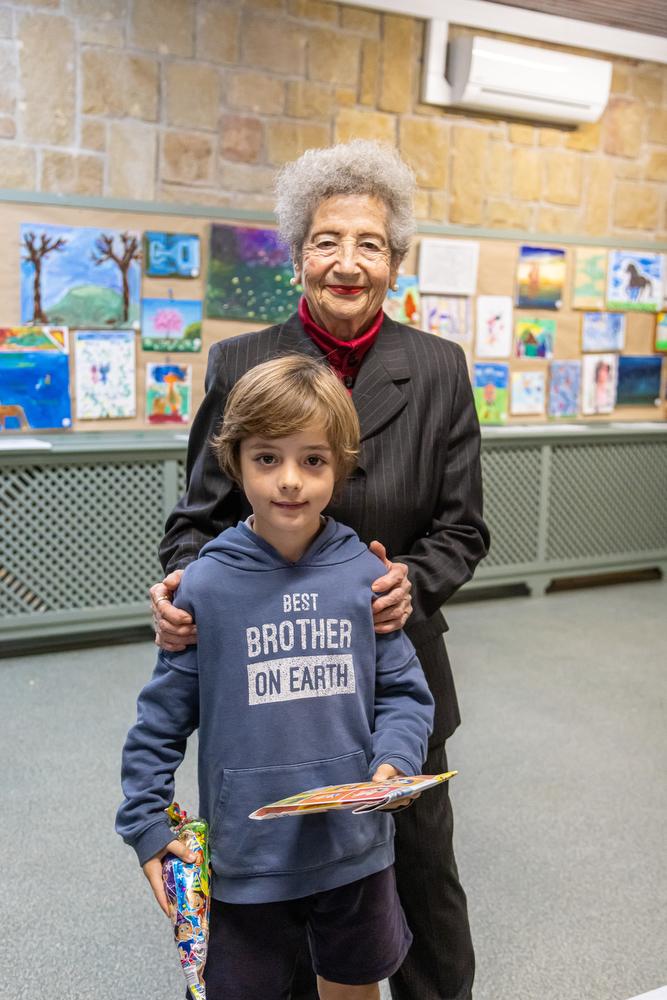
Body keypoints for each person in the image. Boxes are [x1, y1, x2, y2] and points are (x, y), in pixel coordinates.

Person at [153, 139, 490, 1000]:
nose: (347, 262)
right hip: (272, 690)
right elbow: (196, 522)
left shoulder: (440, 369)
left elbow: (462, 530)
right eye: (326, 240)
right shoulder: (239, 363)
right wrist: (183, 592)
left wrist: (409, 579)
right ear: (297, 254)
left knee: (421, 873)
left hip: (394, 673)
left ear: (395, 262)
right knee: (287, 878)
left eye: (369, 244)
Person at [117, 356, 435, 1000]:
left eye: (313, 460)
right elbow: (159, 722)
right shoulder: (206, 585)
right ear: (235, 462)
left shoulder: (366, 577)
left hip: (354, 848)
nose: (290, 480)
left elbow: (404, 694)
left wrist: (395, 762)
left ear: (340, 466)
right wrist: (147, 822)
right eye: (267, 458)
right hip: (246, 857)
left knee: (354, 983)